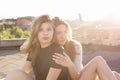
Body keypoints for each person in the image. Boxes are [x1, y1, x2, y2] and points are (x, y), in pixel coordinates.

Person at [5, 14, 70, 80]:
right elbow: (24, 71)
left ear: (53, 32)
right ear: (36, 32)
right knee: (14, 74)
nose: (45, 33)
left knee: (15, 73)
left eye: (49, 29)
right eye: (41, 30)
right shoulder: (35, 49)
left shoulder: (58, 51)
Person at [51, 17, 119, 80]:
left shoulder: (75, 46)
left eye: (65, 32)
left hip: (79, 77)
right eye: (58, 33)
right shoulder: (50, 49)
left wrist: (70, 65)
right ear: (52, 34)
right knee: (98, 61)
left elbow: (77, 77)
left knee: (115, 74)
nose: (63, 36)